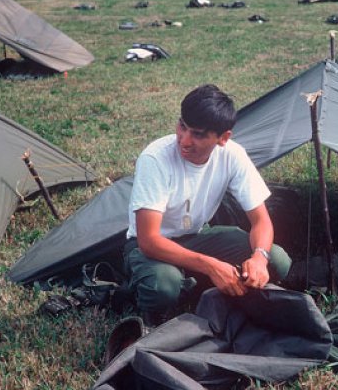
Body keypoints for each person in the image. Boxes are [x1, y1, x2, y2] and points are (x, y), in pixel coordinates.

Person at [124, 84, 292, 327]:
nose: (185, 140)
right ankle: (152, 303)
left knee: (277, 260)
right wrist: (211, 266)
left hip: (197, 237)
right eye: (183, 126)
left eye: (199, 134)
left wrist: (259, 257)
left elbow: (261, 221)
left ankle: (202, 286)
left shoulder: (233, 155)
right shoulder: (155, 157)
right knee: (163, 285)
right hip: (152, 248)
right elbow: (148, 240)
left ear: (223, 138)